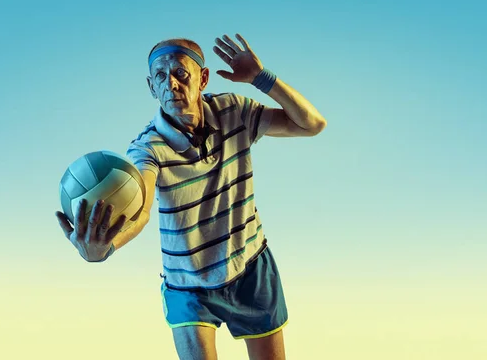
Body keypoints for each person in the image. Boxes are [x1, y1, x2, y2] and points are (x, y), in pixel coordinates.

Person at [56, 33, 327, 360]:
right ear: (151, 86)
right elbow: (140, 210)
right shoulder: (147, 148)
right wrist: (106, 247)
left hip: (250, 266)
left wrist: (260, 78)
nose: (171, 84)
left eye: (181, 73)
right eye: (160, 76)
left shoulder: (233, 111)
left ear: (203, 78)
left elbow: (312, 124)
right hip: (188, 284)